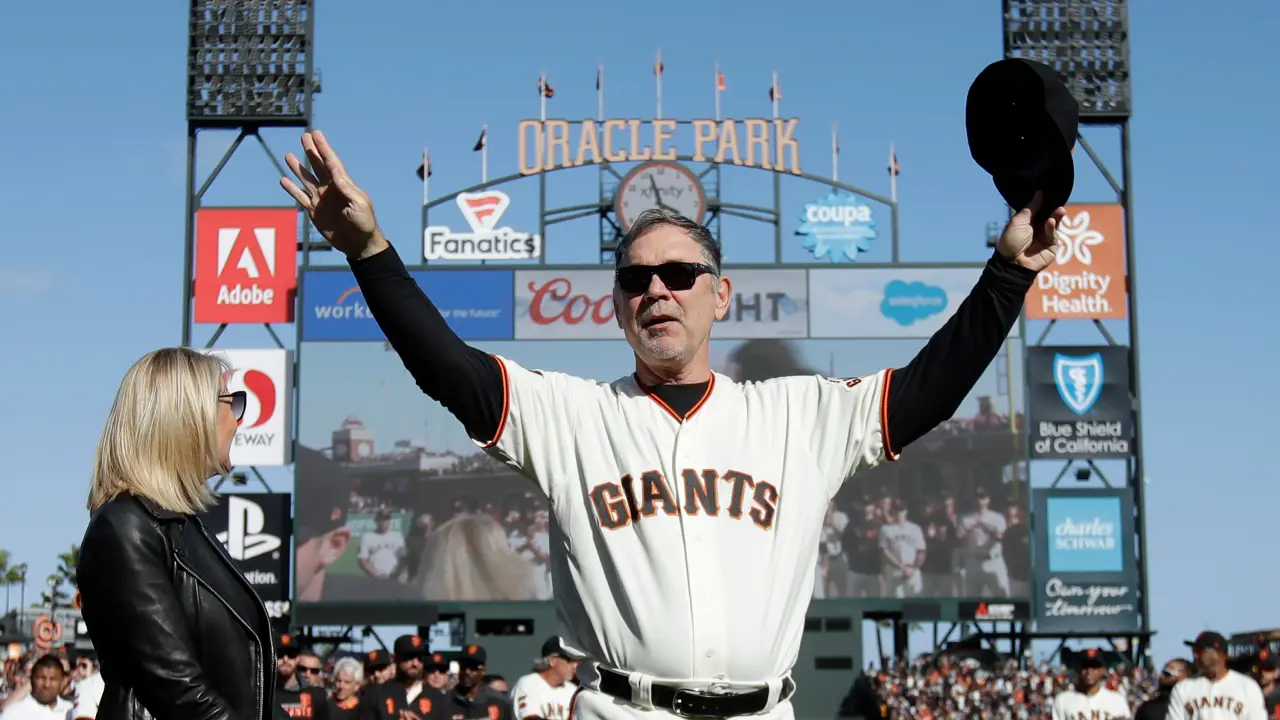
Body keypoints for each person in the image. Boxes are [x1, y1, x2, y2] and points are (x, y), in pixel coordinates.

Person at [280, 130, 1065, 720]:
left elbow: (930, 389)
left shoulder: (797, 413)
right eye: (635, 278)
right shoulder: (573, 415)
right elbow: (447, 368)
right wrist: (371, 252)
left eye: (680, 273)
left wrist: (1007, 276)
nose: (657, 288)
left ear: (720, 295)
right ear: (618, 306)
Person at [77, 347, 277, 720]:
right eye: (231, 403)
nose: (238, 421)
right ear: (188, 418)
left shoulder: (181, 526)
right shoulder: (126, 528)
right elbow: (180, 692)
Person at [1169, 632, 1267, 720]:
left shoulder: (1247, 686)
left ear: (1218, 653)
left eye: (1199, 651)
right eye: (1194, 651)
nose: (1195, 655)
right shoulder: (1183, 688)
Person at [510, 637, 581, 720]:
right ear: (552, 660)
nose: (575, 665)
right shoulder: (529, 683)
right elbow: (530, 719)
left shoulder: (573, 690)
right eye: (569, 660)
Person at [435, 645, 513, 720]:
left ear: (483, 671)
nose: (467, 671)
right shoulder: (444, 701)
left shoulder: (499, 702)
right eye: (463, 666)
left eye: (473, 667)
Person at [1050, 650, 1131, 720]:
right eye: (1085, 666)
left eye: (1094, 667)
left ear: (1102, 670)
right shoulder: (1063, 700)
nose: (1089, 671)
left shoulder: (1117, 700)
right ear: (1078, 669)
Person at [0, 655, 72, 720]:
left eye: (53, 679)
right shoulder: (14, 713)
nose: (47, 685)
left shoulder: (70, 710)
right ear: (31, 679)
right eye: (42, 678)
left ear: (62, 681)